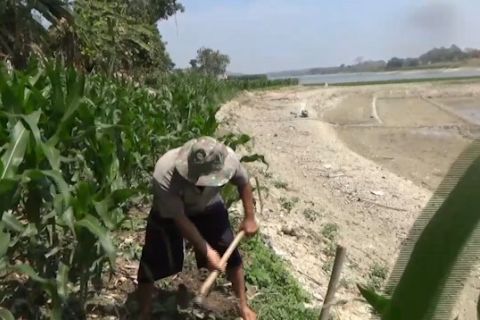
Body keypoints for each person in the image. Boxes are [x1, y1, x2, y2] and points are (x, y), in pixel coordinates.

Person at [136, 136, 259, 320]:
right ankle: (144, 311)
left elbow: (243, 182)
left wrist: (249, 217)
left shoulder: (228, 160)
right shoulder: (165, 172)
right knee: (153, 259)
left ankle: (243, 305)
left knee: (229, 252)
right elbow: (179, 218)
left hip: (208, 205)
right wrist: (207, 250)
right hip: (170, 212)